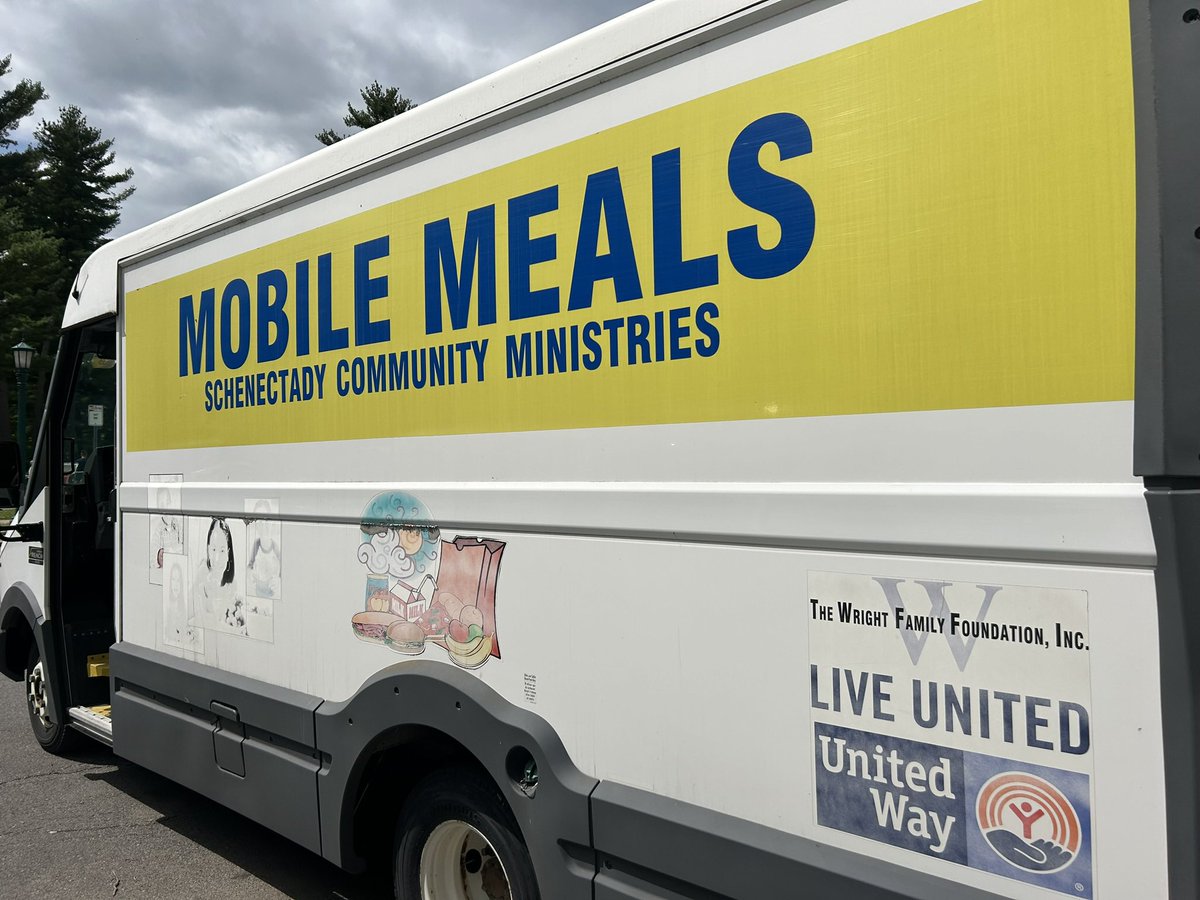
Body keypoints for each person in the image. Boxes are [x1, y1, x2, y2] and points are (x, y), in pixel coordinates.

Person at [194, 517, 246, 634]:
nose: (217, 559)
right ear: (208, 550)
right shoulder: (201, 574)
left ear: (228, 553)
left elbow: (229, 618)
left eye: (222, 551)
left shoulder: (232, 583)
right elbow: (199, 620)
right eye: (213, 549)